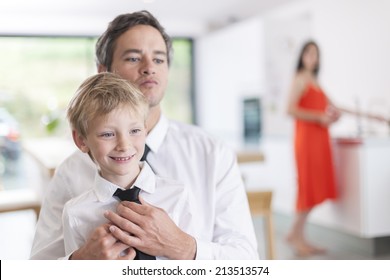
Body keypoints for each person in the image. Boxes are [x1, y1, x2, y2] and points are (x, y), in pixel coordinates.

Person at [30, 10, 259, 260]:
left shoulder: (213, 153)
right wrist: (80, 263)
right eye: (133, 58)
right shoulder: (70, 173)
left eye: (159, 60)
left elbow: (246, 260)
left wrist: (184, 247)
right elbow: (39, 265)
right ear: (103, 72)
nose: (149, 68)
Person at [63, 72, 192, 259]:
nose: (124, 145)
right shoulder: (75, 212)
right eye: (107, 134)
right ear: (81, 140)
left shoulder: (177, 194)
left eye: (134, 130)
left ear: (145, 130)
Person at [286, 40, 386, 257]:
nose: (313, 58)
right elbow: (290, 109)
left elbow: (336, 107)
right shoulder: (301, 78)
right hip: (307, 140)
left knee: (314, 186)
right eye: (309, 53)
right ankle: (296, 234)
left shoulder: (314, 81)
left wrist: (374, 116)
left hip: (319, 138)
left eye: (316, 54)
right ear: (302, 57)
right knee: (309, 187)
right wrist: (319, 117)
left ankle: (298, 235)